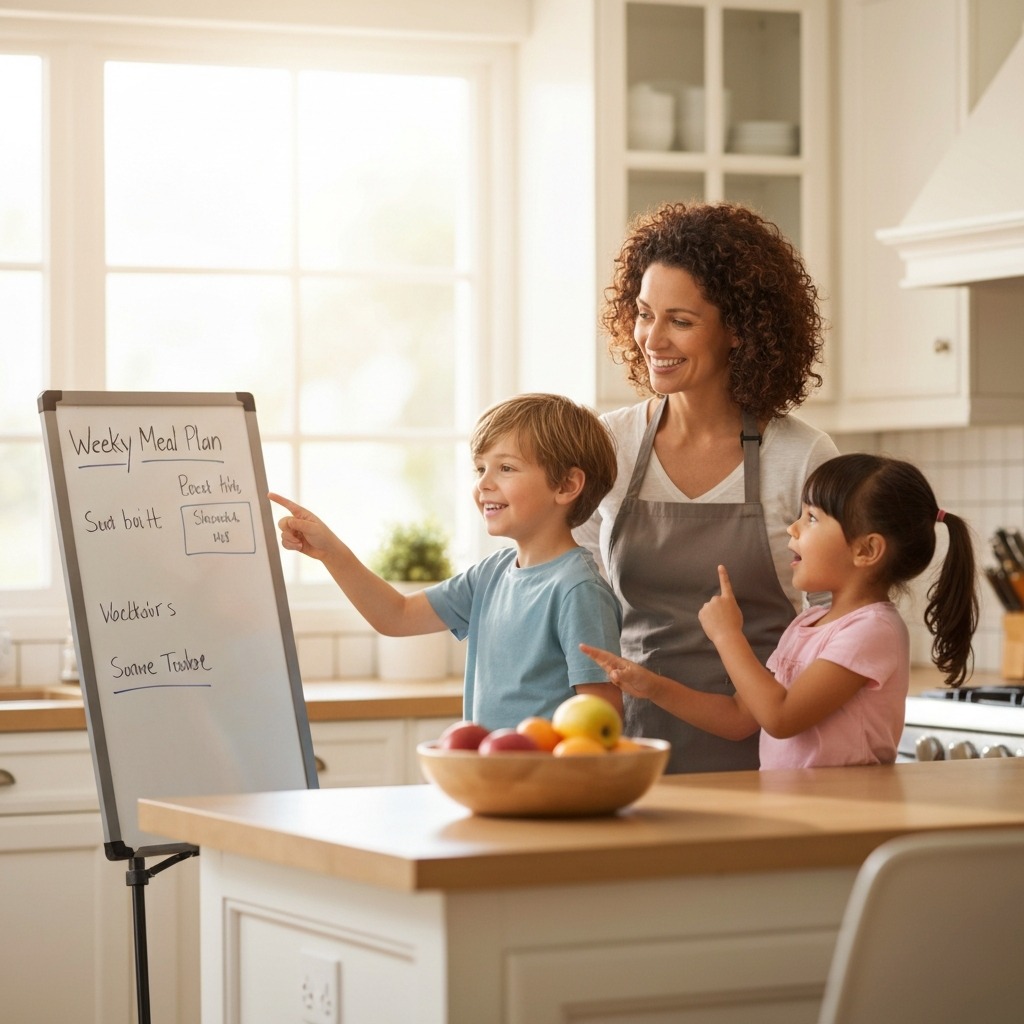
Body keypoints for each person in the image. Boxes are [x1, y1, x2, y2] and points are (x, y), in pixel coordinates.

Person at [573, 200, 840, 773]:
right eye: (644, 313)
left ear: (740, 331)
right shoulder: (610, 445)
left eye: (681, 320)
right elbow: (577, 590)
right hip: (630, 747)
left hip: (768, 750)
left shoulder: (799, 456)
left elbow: (834, 620)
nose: (652, 338)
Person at [582, 454, 979, 769]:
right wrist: (651, 686)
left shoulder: (873, 631)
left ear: (866, 550)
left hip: (848, 820)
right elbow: (741, 717)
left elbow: (781, 717)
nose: (793, 529)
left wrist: (727, 636)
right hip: (798, 810)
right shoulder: (808, 623)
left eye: (811, 518)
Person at [270, 392, 623, 730]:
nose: (484, 483)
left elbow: (600, 717)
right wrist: (332, 552)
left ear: (566, 485)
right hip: (489, 780)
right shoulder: (491, 574)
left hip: (548, 788)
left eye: (506, 468)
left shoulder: (579, 591)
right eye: (480, 468)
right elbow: (396, 616)